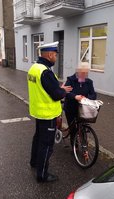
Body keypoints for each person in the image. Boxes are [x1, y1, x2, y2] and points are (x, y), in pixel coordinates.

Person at [28, 42, 83, 183]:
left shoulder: (34, 68)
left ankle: (34, 162)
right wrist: (62, 90)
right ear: (50, 55)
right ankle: (42, 175)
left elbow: (43, 87)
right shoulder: (46, 71)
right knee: (46, 145)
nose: (56, 58)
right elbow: (56, 94)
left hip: (38, 111)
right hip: (48, 113)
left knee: (38, 138)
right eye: (55, 55)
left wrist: (58, 88)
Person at [64, 62, 97, 146]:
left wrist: (87, 98)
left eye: (86, 73)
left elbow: (93, 94)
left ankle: (84, 146)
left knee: (83, 127)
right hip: (71, 108)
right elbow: (66, 93)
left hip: (83, 108)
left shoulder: (89, 82)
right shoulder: (70, 80)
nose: (84, 74)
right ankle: (74, 146)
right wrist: (75, 96)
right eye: (83, 72)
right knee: (73, 129)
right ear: (77, 71)